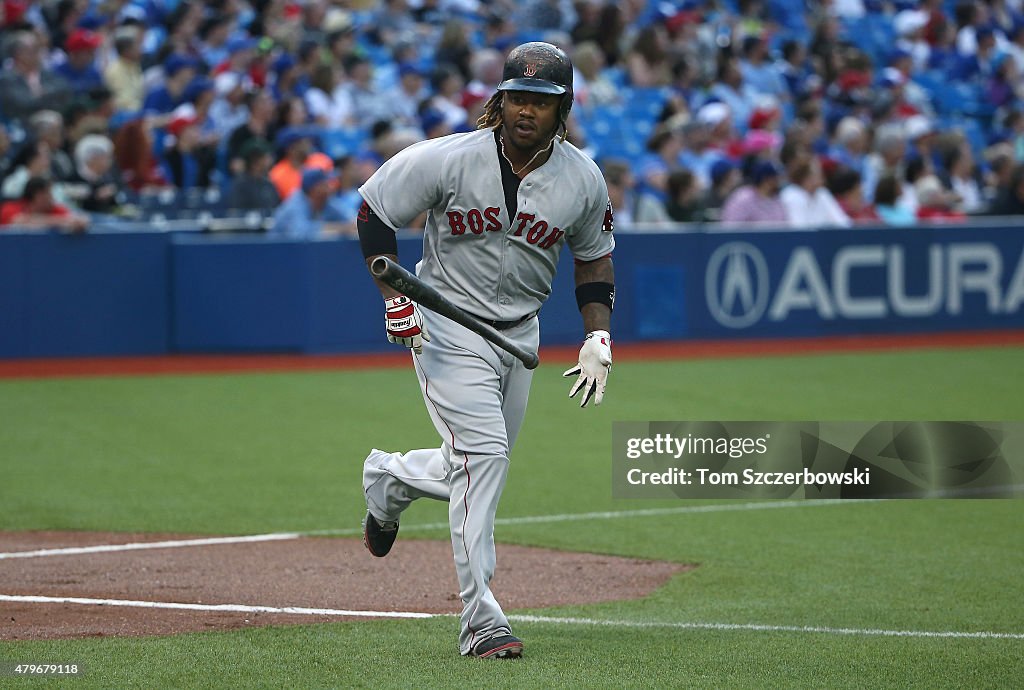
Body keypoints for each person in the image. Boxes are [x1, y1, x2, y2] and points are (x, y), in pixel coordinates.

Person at [355, 42, 614, 660]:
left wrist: (597, 334)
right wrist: (391, 292)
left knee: (469, 466)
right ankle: (481, 619)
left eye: (542, 101)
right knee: (484, 455)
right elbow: (374, 209)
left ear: (564, 109)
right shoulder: (450, 158)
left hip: (520, 333)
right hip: (445, 321)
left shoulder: (581, 178)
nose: (528, 110)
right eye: (518, 98)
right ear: (499, 101)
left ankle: (387, 480)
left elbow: (594, 258)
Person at [268, 167, 352, 238]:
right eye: (325, 184)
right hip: (275, 253)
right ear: (314, 189)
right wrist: (340, 228)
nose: (330, 186)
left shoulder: (326, 201)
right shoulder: (295, 204)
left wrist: (348, 227)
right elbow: (301, 234)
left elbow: (352, 222)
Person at [0, 176, 88, 232]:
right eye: (49, 193)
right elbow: (20, 221)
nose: (52, 198)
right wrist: (61, 222)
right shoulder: (10, 208)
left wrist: (75, 222)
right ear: (38, 196)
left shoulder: (54, 209)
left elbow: (79, 221)